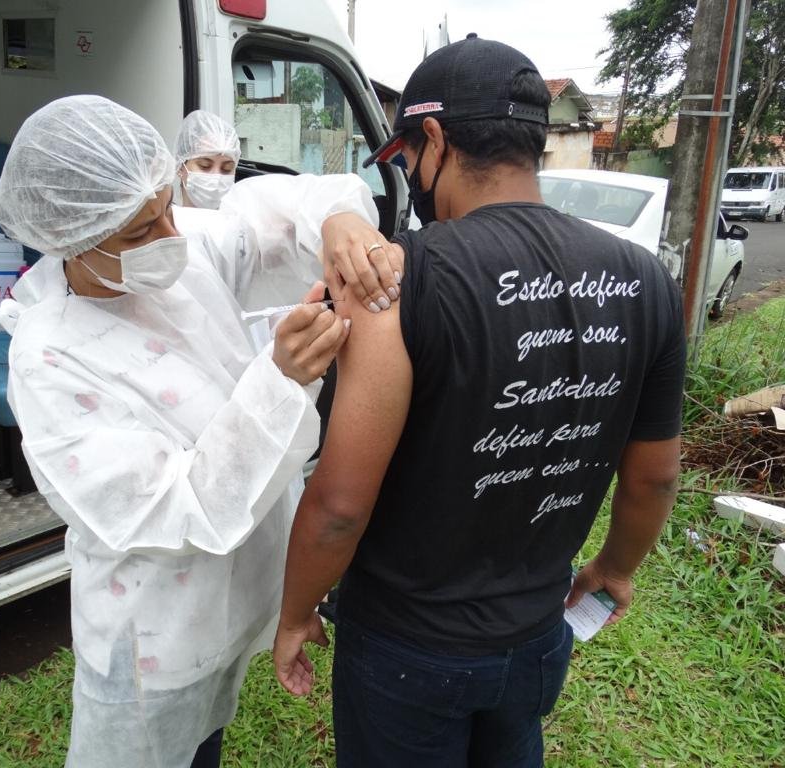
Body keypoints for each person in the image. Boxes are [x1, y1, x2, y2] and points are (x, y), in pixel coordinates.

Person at [272, 35, 686, 767]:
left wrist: (296, 613)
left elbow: (338, 508)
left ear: (434, 139)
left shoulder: (398, 282)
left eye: (404, 161)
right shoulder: (644, 279)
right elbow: (654, 475)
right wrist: (615, 568)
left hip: (407, 646)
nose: (409, 181)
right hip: (535, 636)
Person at [0, 94, 395, 768]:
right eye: (138, 232)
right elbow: (176, 507)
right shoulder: (50, 357)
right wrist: (283, 379)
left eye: (165, 211)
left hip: (235, 593)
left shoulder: (180, 249)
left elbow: (269, 213)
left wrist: (339, 218)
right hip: (156, 630)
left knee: (207, 738)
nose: (170, 238)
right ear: (70, 239)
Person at [173, 110, 240, 209]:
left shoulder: (241, 221)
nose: (216, 177)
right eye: (205, 166)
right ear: (180, 167)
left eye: (227, 168)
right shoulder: (164, 221)